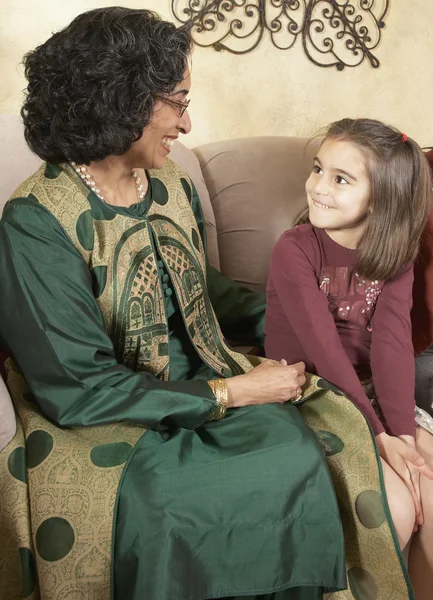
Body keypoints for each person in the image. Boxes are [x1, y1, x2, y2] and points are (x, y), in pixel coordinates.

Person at [0, 8, 346, 600]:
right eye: (178, 102)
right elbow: (78, 385)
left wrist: (310, 316)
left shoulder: (169, 185)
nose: (187, 123)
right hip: (107, 412)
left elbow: (202, 293)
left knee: (293, 448)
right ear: (122, 101)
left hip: (202, 378)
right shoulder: (36, 221)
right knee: (169, 501)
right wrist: (237, 392)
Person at [265, 118, 433, 600]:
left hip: (370, 391)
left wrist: (401, 434)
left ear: (380, 199)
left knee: (425, 480)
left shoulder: (396, 256)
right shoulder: (293, 248)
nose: (317, 187)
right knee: (397, 507)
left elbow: (393, 346)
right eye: (319, 169)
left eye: (340, 178)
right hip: (311, 391)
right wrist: (380, 437)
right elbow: (325, 353)